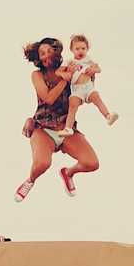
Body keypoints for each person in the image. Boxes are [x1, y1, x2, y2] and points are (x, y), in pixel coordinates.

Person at [15, 38, 101, 202]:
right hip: (43, 128)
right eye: (42, 53)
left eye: (49, 51)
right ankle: (30, 180)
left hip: (66, 128)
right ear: (38, 58)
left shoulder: (70, 68)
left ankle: (68, 173)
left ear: (57, 52)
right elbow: (48, 98)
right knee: (42, 164)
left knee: (92, 163)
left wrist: (90, 73)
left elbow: (84, 90)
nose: (46, 55)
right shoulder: (37, 75)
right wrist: (64, 79)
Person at [62, 32, 118, 134]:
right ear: (72, 50)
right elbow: (62, 71)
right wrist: (67, 72)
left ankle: (108, 116)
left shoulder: (88, 59)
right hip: (77, 89)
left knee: (96, 97)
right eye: (77, 49)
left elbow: (98, 68)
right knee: (72, 104)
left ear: (87, 49)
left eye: (83, 48)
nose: (81, 51)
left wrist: (94, 70)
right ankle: (68, 128)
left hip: (88, 87)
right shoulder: (70, 61)